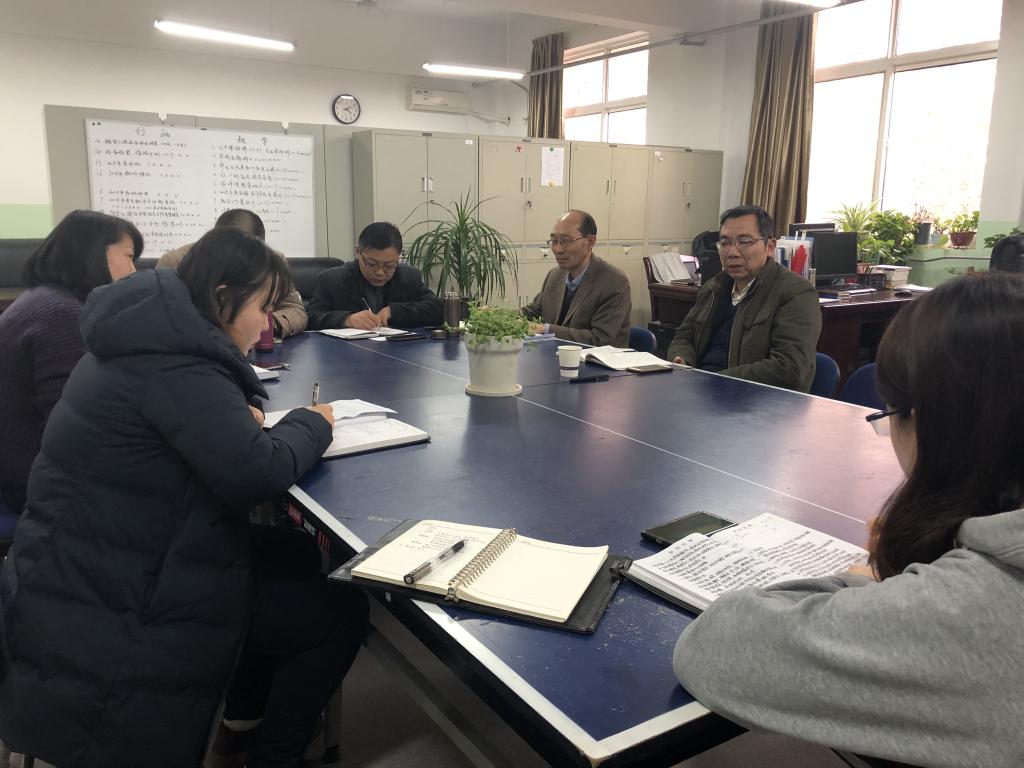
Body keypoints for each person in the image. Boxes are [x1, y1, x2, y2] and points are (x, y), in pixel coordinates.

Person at [0, 227, 368, 768]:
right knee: (340, 611)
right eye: (262, 309)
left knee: (293, 550)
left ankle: (242, 721)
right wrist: (313, 423)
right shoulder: (179, 363)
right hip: (122, 597)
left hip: (86, 559)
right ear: (222, 297)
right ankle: (276, 757)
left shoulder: (145, 337)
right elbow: (256, 473)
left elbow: (178, 427)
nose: (268, 324)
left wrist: (236, 421)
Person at [673, 271, 1024, 767]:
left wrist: (870, 582)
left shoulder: (977, 606)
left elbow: (714, 647)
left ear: (930, 423)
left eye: (891, 416)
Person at [0, 209, 141, 511]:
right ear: (93, 254)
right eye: (129, 257)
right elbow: (72, 429)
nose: (134, 272)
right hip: (33, 484)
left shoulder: (41, 299)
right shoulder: (63, 315)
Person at [666, 205, 820, 392]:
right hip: (699, 391)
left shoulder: (795, 293)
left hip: (750, 400)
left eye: (744, 242)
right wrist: (681, 359)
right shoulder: (714, 288)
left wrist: (713, 381)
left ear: (770, 247)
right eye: (725, 243)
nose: (732, 252)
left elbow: (790, 368)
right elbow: (684, 336)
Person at [157, 208, 308, 337]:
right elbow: (163, 319)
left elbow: (295, 310)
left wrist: (260, 323)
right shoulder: (175, 262)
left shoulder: (272, 263)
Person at [521, 210, 631, 347]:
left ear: (590, 242)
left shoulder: (614, 282)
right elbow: (532, 313)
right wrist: (500, 317)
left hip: (594, 359)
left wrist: (545, 330)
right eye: (554, 241)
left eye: (566, 241)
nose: (558, 249)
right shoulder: (555, 275)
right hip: (554, 355)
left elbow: (599, 339)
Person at [305, 221, 441, 330]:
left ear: (398, 257)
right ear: (358, 252)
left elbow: (438, 309)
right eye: (372, 264)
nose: (380, 272)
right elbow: (309, 317)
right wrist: (347, 319)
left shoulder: (409, 277)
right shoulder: (333, 280)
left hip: (397, 350)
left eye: (389, 265)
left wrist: (394, 311)